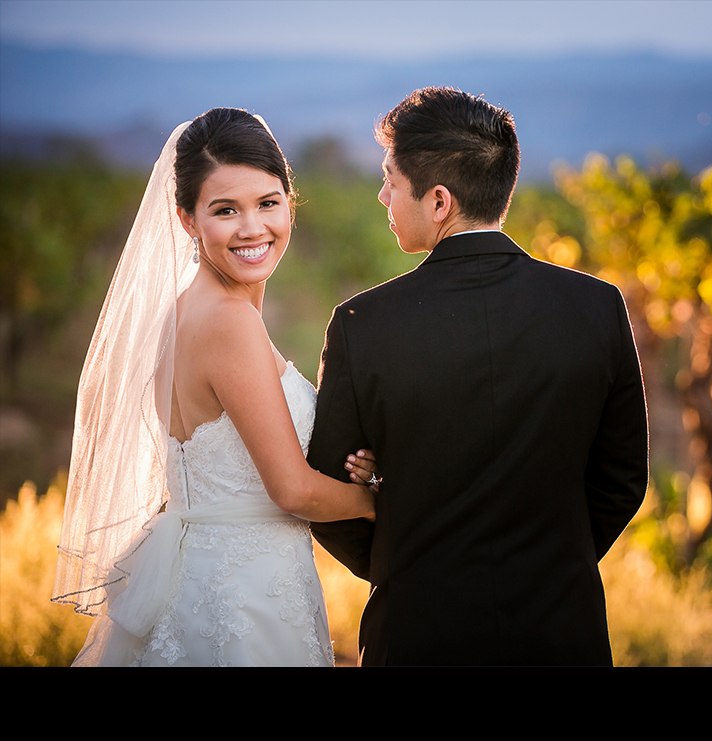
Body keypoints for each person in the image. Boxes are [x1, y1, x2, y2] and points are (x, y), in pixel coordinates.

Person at [308, 87, 648, 666]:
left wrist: (405, 564)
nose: (382, 195)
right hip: (563, 632)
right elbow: (621, 480)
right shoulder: (597, 307)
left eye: (391, 179)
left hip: (416, 633)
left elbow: (328, 492)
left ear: (439, 200)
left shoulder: (364, 325)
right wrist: (551, 563)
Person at [52, 108, 378, 666]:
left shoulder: (184, 314)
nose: (253, 228)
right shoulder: (229, 321)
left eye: (268, 203)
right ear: (187, 219)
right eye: (226, 210)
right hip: (245, 595)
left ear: (288, 201)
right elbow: (292, 490)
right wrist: (380, 501)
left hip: (199, 573)